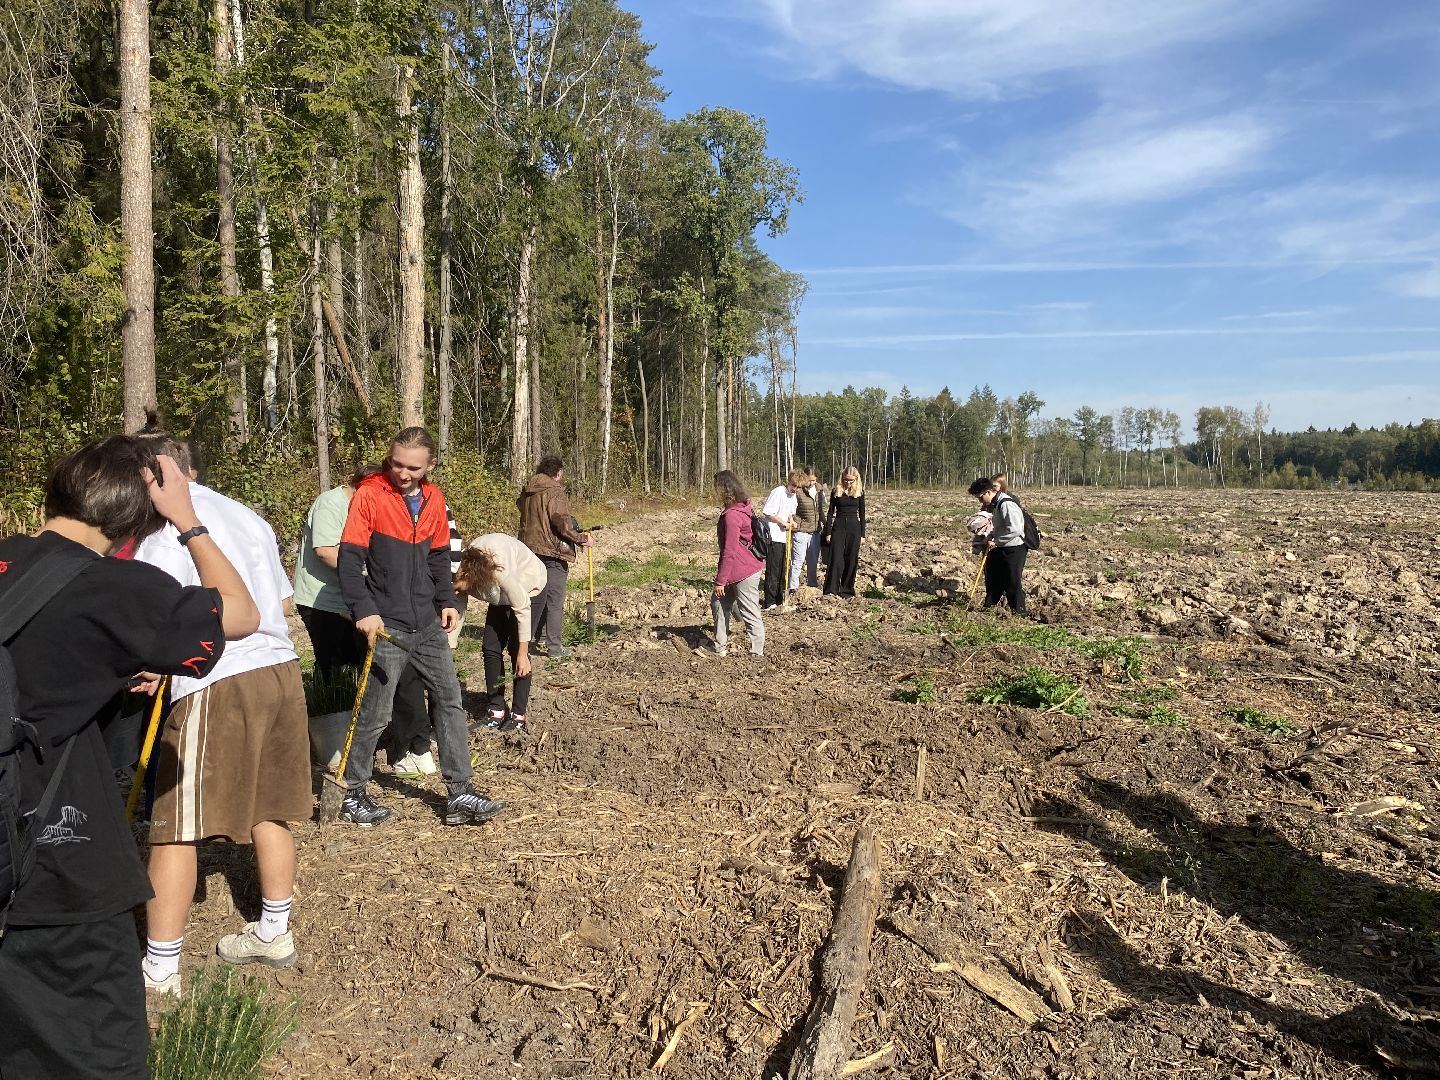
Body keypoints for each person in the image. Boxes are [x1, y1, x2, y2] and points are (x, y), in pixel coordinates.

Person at [0, 436, 258, 1080]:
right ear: (134, 523)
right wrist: (188, 520)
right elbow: (242, 614)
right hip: (57, 867)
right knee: (95, 1053)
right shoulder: (117, 587)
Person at [133, 432, 312, 996]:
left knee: (175, 824)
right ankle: (274, 931)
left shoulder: (165, 527)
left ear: (160, 472)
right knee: (269, 805)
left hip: (215, 676)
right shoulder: (248, 516)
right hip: (279, 669)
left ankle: (160, 968)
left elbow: (156, 610)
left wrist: (151, 663)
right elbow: (282, 602)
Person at [336, 426, 504, 827]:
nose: (402, 473)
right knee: (375, 712)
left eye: (412, 467)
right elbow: (349, 559)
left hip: (427, 623)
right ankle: (352, 793)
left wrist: (446, 601)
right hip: (387, 625)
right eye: (397, 463)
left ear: (430, 465)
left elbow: (438, 557)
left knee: (449, 700)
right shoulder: (370, 495)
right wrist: (364, 609)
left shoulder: (434, 499)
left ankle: (460, 791)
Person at [453, 534, 546, 734]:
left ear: (466, 575)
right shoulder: (461, 569)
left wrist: (523, 653)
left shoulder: (498, 570)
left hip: (529, 588)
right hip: (500, 595)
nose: (454, 591)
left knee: (516, 650)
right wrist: (449, 646)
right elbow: (458, 608)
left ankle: (518, 715)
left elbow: (522, 606)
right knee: (490, 647)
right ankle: (496, 708)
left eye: (456, 587)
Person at [516, 456, 592, 657]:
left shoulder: (528, 490)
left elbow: (523, 510)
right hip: (552, 551)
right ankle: (555, 647)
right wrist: (582, 538)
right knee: (555, 600)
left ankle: (533, 638)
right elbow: (561, 523)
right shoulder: (554, 491)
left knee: (535, 595)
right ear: (558, 472)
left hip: (529, 549)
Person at [709, 470, 765, 658]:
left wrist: (720, 581)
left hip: (743, 570)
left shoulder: (732, 516)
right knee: (718, 602)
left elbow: (730, 550)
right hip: (741, 567)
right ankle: (719, 647)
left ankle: (757, 651)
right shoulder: (742, 508)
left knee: (749, 610)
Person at [969, 476, 1027, 614]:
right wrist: (991, 535)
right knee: (993, 579)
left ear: (988, 492)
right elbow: (1001, 526)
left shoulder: (1006, 504)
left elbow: (1015, 529)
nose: (980, 501)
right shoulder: (996, 504)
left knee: (1012, 583)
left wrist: (996, 541)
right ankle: (988, 609)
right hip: (1001, 547)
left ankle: (1019, 614)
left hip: (1014, 549)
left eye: (980, 497)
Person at [822, 466, 866, 598]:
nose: (848, 482)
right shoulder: (836, 491)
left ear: (856, 479)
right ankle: (831, 590)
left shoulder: (860, 492)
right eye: (846, 480)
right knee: (836, 559)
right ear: (842, 478)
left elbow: (862, 514)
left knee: (851, 559)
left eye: (851, 480)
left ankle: (847, 590)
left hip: (854, 527)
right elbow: (830, 513)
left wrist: (863, 534)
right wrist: (828, 532)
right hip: (839, 526)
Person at [760, 470, 801, 610]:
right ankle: (770, 601)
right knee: (774, 569)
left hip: (785, 537)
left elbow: (790, 514)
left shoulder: (793, 496)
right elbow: (768, 512)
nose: (795, 489)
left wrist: (791, 522)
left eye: (798, 487)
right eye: (794, 485)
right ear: (789, 481)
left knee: (784, 569)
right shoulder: (778, 492)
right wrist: (781, 522)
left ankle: (779, 600)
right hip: (774, 536)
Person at [791, 466, 822, 594]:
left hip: (815, 532)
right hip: (801, 531)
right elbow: (792, 510)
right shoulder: (798, 491)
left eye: (814, 480)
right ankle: (793, 588)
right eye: (809, 480)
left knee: (813, 562)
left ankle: (812, 586)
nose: (812, 483)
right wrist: (796, 524)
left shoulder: (819, 490)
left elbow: (821, 510)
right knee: (797, 561)